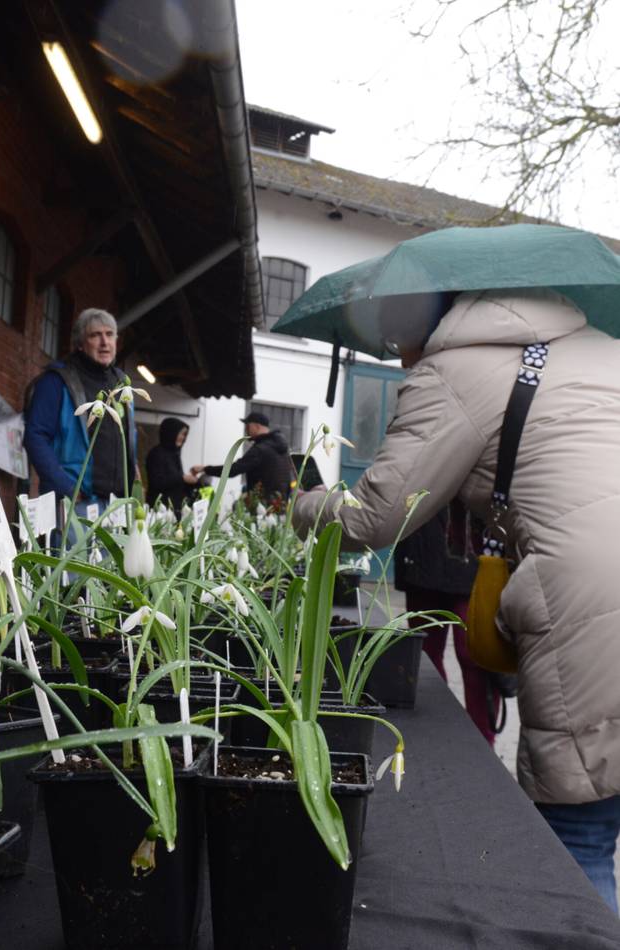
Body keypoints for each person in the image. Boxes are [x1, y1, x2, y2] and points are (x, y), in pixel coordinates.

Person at [292, 287, 620, 912]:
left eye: (397, 343)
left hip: (595, 603)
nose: (401, 361)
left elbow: (376, 516)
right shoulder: (600, 348)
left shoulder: (455, 369)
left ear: (424, 326)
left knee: (579, 839)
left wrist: (301, 506)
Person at [394, 506, 500, 745]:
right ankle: (435, 737)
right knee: (426, 660)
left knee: (475, 657)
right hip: (423, 554)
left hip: (475, 555)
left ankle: (481, 747)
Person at [23, 307, 137, 508]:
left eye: (110, 334)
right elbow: (35, 436)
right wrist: (66, 488)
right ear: (80, 344)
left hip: (116, 503)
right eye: (95, 335)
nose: (104, 342)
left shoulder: (120, 381)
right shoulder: (57, 380)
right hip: (76, 502)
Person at [192, 412, 294, 504]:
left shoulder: (260, 449)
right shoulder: (281, 447)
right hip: (280, 504)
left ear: (257, 426)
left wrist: (205, 469)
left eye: (248, 426)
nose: (246, 431)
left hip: (262, 508)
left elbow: (232, 470)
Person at [146, 417, 197, 514]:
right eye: (181, 434)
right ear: (171, 433)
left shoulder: (175, 454)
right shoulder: (156, 454)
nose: (183, 438)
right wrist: (182, 478)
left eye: (185, 435)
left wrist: (191, 481)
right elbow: (156, 482)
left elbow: (175, 482)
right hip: (160, 510)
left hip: (174, 510)